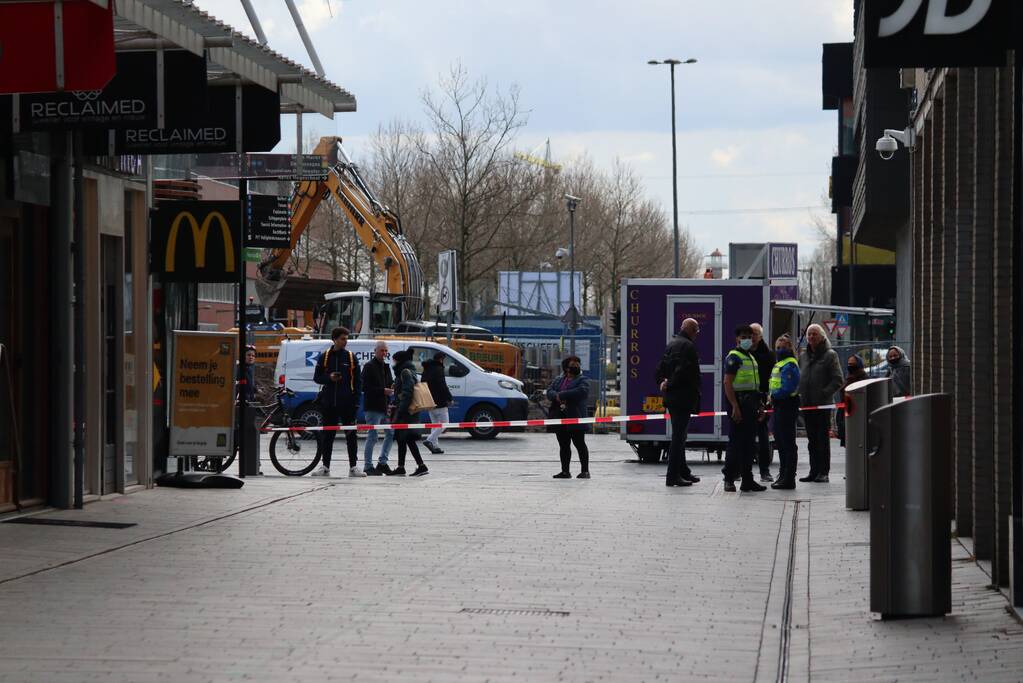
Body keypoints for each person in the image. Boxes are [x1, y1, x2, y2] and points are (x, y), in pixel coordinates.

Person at [311, 327, 365, 478]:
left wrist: (356, 402)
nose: (345, 341)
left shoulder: (351, 357)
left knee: (351, 436)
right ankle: (325, 467)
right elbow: (317, 378)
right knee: (328, 436)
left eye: (347, 338)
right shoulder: (324, 357)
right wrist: (329, 378)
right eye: (342, 339)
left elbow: (358, 381)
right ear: (334, 339)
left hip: (348, 404)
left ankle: (353, 467)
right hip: (329, 403)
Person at [656, 318, 702, 487]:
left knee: (680, 435)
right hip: (683, 397)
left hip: (672, 398)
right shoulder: (688, 346)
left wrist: (663, 382)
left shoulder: (672, 344)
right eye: (696, 330)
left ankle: (683, 472)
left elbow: (660, 368)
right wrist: (670, 383)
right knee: (679, 438)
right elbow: (683, 371)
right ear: (691, 330)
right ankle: (673, 476)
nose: (697, 334)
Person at [722, 325, 766, 493]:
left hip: (751, 404)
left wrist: (760, 405)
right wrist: (734, 406)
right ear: (737, 339)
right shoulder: (734, 357)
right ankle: (729, 479)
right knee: (735, 443)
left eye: (750, 336)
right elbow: (727, 382)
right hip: (739, 404)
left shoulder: (751, 357)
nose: (748, 339)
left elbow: (754, 385)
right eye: (744, 337)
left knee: (749, 444)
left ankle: (747, 480)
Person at [797, 324, 844, 483]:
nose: (811, 337)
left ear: (822, 336)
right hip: (807, 405)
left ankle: (824, 472)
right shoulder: (803, 356)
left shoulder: (830, 355)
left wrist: (824, 393)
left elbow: (838, 380)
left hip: (822, 405)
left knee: (822, 439)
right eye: (809, 334)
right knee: (812, 440)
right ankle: (814, 471)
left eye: (814, 334)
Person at [547, 355, 590, 479]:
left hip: (575, 416)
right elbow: (549, 391)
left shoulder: (582, 379)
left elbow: (582, 391)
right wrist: (556, 396)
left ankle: (585, 471)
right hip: (560, 416)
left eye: (578, 364)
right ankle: (565, 471)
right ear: (566, 368)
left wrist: (562, 395)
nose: (576, 366)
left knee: (579, 444)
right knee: (564, 445)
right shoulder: (558, 380)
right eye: (573, 365)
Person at [768, 335, 800, 490]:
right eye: (778, 347)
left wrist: (774, 395)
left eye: (783, 347)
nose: (780, 350)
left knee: (787, 443)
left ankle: (789, 478)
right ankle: (783, 474)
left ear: (790, 348)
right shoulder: (779, 363)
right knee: (780, 442)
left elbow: (788, 388)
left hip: (787, 404)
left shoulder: (790, 364)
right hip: (779, 405)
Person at [391, 349, 429, 477]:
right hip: (406, 411)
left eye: (394, 360)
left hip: (406, 412)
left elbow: (407, 392)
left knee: (407, 439)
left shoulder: (405, 372)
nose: (393, 363)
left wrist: (401, 410)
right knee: (402, 439)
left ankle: (421, 466)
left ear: (399, 361)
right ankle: (401, 467)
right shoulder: (408, 371)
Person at [361, 341, 395, 475]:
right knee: (372, 436)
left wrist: (392, 387)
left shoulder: (386, 367)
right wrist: (382, 391)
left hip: (385, 406)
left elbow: (390, 383)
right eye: (382, 350)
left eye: (386, 351)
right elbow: (364, 387)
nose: (384, 353)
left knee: (390, 433)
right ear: (375, 351)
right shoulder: (369, 366)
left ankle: (382, 463)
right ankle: (368, 466)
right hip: (373, 406)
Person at [749, 323, 776, 483]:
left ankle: (764, 471)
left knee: (763, 435)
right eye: (750, 333)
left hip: (762, 399)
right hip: (745, 399)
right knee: (745, 436)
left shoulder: (768, 354)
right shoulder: (743, 352)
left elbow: (771, 378)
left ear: (760, 336)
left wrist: (767, 400)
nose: (752, 337)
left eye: (755, 334)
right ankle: (741, 470)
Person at [421, 351, 454, 454]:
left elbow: (423, 383)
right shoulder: (439, 369)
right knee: (445, 424)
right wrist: (449, 398)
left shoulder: (426, 369)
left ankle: (435, 446)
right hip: (440, 401)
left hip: (429, 401)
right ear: (441, 359)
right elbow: (442, 385)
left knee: (435, 425)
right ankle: (429, 440)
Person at [837, 354, 867, 447]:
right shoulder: (849, 377)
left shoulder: (863, 378)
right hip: (846, 412)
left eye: (853, 364)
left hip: (856, 415)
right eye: (849, 364)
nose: (850, 366)